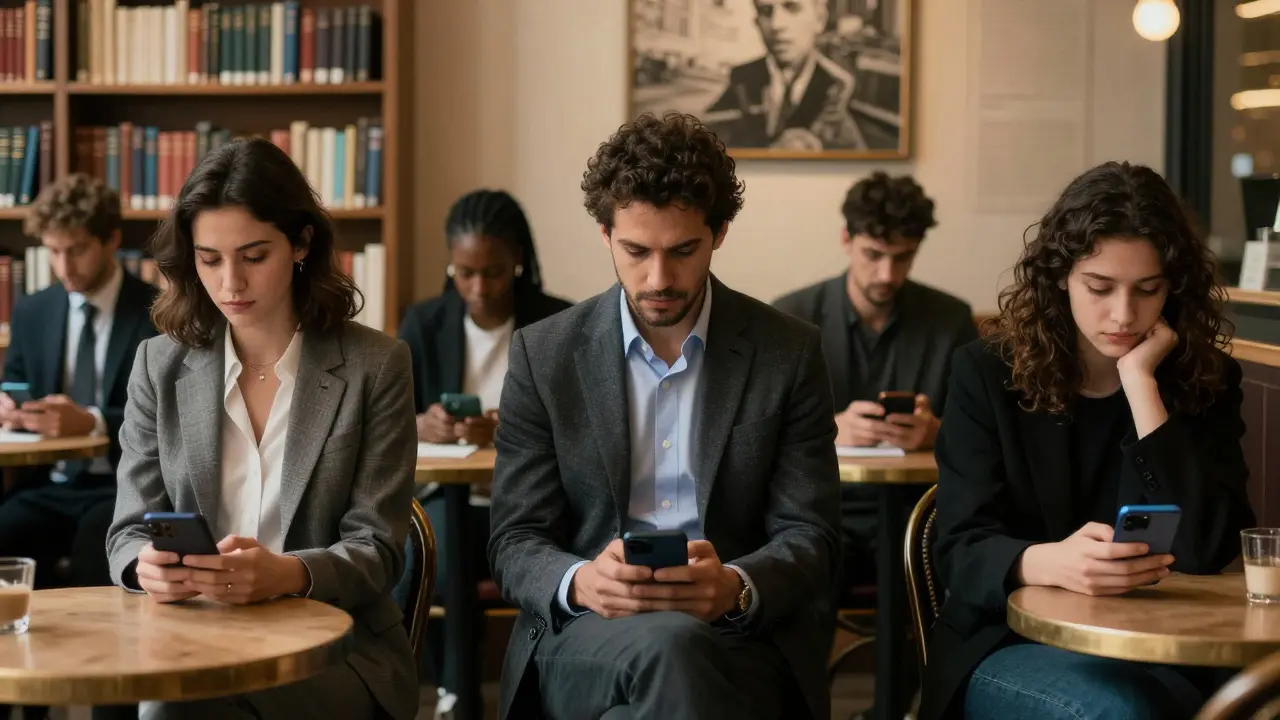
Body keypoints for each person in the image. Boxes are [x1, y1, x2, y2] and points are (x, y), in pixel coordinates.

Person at [487, 112, 842, 720]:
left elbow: (813, 536)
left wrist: (736, 583)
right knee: (674, 649)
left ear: (720, 232)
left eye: (683, 250)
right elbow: (514, 540)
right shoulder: (544, 355)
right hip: (590, 634)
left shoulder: (787, 352)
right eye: (635, 250)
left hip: (737, 632)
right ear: (604, 233)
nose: (658, 278)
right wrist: (580, 580)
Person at [920, 161, 1255, 720]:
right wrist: (1048, 563)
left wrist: (1142, 387)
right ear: (1060, 276)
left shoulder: (1203, 378)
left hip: (1166, 644)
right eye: (1099, 287)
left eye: (1148, 290)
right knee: (1121, 712)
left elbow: (1207, 548)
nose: (1123, 315)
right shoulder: (987, 374)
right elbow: (957, 549)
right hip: (1012, 643)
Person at [104, 138, 419, 720]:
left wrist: (289, 573)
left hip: (336, 645)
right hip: (193, 633)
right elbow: (127, 529)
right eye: (210, 259)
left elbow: (378, 550)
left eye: (253, 256)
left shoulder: (378, 365)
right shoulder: (158, 364)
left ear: (301, 243)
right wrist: (142, 565)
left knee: (178, 706)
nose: (230, 284)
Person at [396, 188, 572, 701]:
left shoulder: (558, 323)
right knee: (436, 555)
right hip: (447, 507)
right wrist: (421, 423)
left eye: (492, 272)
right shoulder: (424, 324)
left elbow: (586, 431)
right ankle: (457, 694)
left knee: (514, 555)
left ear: (518, 260)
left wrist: (514, 431)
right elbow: (389, 425)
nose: (477, 287)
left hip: (531, 508)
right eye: (463, 273)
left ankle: (509, 693)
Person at [774, 172, 976, 597]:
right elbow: (762, 435)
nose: (887, 273)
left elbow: (980, 435)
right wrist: (827, 431)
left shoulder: (950, 320)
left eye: (903, 257)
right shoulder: (791, 317)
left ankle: (926, 666)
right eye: (874, 254)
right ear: (846, 238)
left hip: (919, 512)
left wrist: (936, 432)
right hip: (822, 509)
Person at [704, 0, 864, 150]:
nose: (776, 24)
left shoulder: (836, 86)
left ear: (820, 19)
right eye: (766, 11)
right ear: (757, 22)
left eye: (791, 7)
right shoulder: (743, 77)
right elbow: (708, 137)